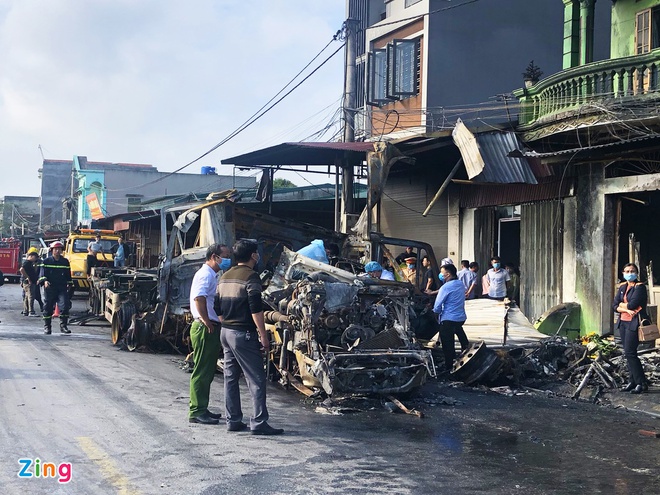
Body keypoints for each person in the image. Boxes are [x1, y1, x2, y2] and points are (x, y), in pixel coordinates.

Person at [217, 239, 284, 435]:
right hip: (243, 334)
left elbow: (216, 306)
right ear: (253, 255)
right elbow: (256, 308)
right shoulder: (251, 276)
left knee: (230, 378)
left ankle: (233, 420)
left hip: (226, 333)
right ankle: (259, 422)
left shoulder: (225, 276)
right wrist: (263, 335)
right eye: (257, 253)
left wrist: (227, 323)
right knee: (256, 378)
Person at [188, 243, 232, 425]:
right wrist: (206, 320)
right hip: (205, 327)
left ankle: (201, 407)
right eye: (225, 256)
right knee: (202, 371)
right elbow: (199, 298)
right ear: (214, 257)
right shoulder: (206, 275)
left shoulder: (210, 274)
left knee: (207, 371)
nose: (228, 260)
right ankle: (197, 411)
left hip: (208, 326)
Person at [612, 263, 649, 394]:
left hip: (634, 323)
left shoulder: (640, 287)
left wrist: (622, 306)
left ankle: (641, 383)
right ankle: (632, 381)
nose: (629, 273)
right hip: (623, 322)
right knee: (628, 353)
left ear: (636, 273)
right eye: (627, 271)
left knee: (630, 352)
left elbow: (633, 304)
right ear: (623, 273)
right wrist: (624, 308)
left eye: (632, 271)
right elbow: (614, 305)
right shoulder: (623, 287)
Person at [433, 263, 469, 371]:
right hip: (460, 318)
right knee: (458, 330)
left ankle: (449, 368)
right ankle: (466, 350)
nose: (441, 275)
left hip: (448, 319)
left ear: (448, 274)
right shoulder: (460, 284)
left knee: (448, 345)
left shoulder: (445, 287)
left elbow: (437, 306)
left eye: (442, 273)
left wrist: (435, 313)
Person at [38, 241, 73, 335]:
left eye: (59, 249)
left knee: (65, 306)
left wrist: (70, 284)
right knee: (48, 307)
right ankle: (47, 327)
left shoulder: (65, 262)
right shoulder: (46, 261)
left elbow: (68, 274)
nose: (57, 251)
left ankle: (63, 326)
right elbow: (42, 274)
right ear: (52, 250)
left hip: (61, 287)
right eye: (55, 249)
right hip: (50, 288)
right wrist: (45, 281)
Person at [20, 248, 42, 316]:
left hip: (29, 282)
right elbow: (21, 269)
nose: (36, 259)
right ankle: (31, 311)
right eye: (35, 257)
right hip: (29, 283)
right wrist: (28, 278)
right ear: (31, 256)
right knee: (31, 297)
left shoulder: (30, 263)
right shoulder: (27, 262)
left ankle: (25, 311)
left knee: (27, 297)